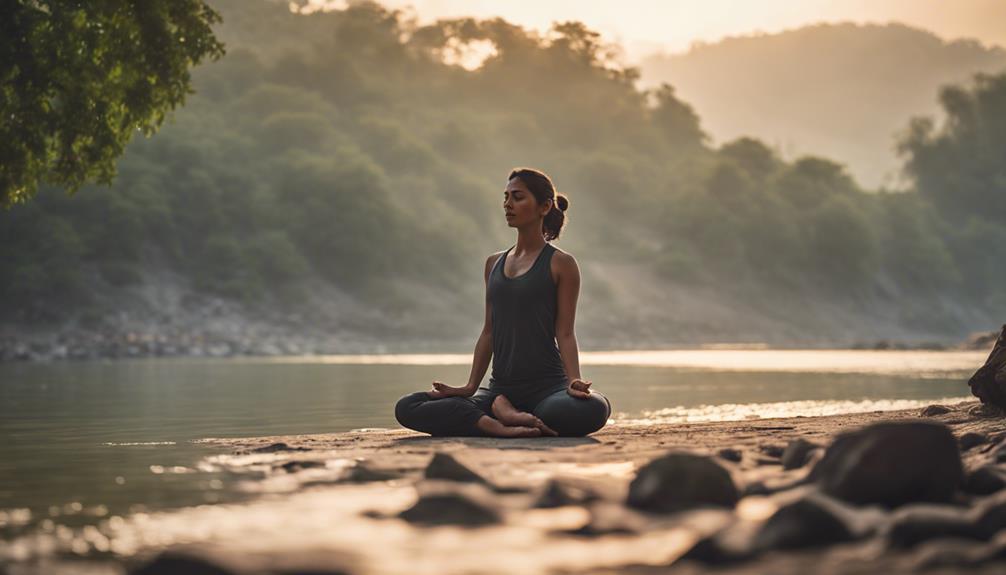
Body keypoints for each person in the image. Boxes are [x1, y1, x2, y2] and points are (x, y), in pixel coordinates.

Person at [394, 168, 611, 437]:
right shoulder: (493, 263)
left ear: (544, 207)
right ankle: (498, 422)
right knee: (408, 406)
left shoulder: (561, 264)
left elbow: (565, 332)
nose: (508, 204)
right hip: (499, 388)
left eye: (517, 197)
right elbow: (489, 331)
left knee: (593, 409)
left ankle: (501, 413)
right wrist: (470, 387)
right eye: (506, 197)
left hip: (548, 389)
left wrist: (573, 380)